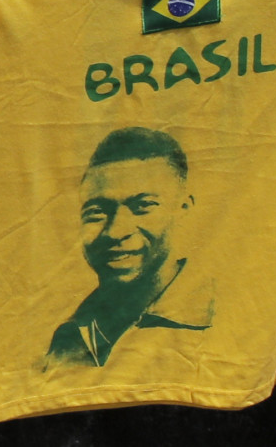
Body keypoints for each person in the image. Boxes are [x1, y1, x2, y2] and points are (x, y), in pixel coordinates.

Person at [43, 128, 205, 371]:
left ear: (183, 208)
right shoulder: (70, 337)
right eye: (96, 212)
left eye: (143, 206)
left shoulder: (222, 321)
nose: (115, 231)